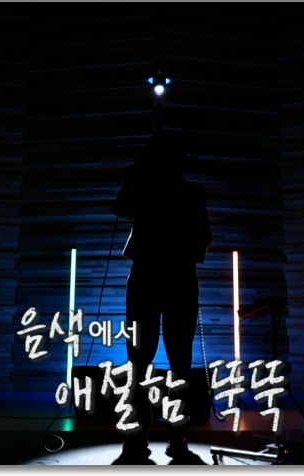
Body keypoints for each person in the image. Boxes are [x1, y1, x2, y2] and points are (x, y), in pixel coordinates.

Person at [111, 130, 212, 463]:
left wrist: (136, 176)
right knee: (178, 361)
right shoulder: (191, 192)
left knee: (140, 361)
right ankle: (177, 438)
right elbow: (204, 238)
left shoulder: (146, 189)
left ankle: (137, 438)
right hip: (179, 278)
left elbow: (121, 208)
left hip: (147, 277)